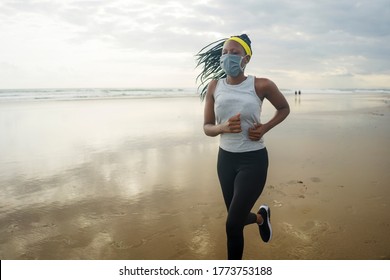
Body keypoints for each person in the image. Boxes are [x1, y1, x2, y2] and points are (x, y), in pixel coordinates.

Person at [195, 34, 290, 260]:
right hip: (225, 161)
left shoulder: (261, 85)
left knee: (231, 225)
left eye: (234, 53)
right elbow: (207, 127)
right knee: (235, 219)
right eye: (224, 52)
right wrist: (223, 127)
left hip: (253, 160)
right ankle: (260, 218)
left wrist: (265, 127)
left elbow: (284, 108)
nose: (228, 56)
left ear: (245, 59)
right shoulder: (214, 86)